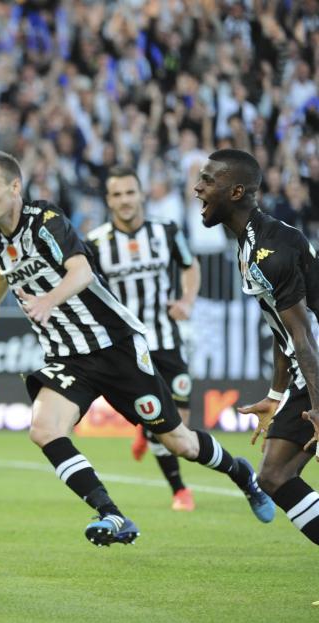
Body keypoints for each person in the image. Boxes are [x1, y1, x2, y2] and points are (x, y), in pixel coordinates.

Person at [0, 151, 274, 547]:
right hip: (67, 355)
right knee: (43, 429)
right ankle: (112, 514)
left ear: (14, 187)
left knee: (179, 442)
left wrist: (48, 300)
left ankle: (241, 474)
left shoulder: (45, 221)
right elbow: (2, 266)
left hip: (116, 346)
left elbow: (81, 271)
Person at [197, 149, 319, 546]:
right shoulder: (251, 244)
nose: (198, 187)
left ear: (235, 192)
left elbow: (303, 336)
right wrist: (275, 393)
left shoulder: (269, 250)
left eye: (208, 180)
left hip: (315, 366)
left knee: (276, 475)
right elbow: (281, 330)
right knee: (273, 476)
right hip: (307, 370)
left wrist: (318, 407)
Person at [85, 167, 201, 511]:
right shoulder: (94, 243)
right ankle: (180, 489)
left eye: (130, 193)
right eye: (117, 195)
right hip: (127, 346)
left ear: (141, 195)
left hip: (166, 338)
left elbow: (190, 265)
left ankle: (148, 433)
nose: (124, 200)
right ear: (109, 200)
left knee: (180, 421)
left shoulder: (166, 232)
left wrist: (187, 301)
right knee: (159, 419)